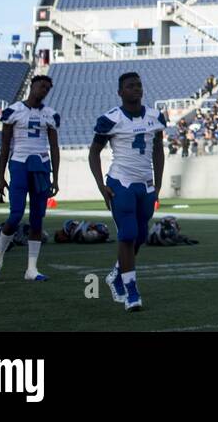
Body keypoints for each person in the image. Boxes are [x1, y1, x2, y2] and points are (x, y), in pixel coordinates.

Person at [89, 72, 166, 312]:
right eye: (131, 86)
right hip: (120, 182)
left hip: (145, 184)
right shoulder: (111, 119)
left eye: (139, 85)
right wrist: (102, 186)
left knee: (141, 236)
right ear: (120, 92)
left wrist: (158, 184)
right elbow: (94, 153)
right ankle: (131, 291)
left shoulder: (155, 116)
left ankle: (116, 273)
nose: (136, 89)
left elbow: (158, 150)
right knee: (128, 233)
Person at [0, 75, 60, 284]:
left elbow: (54, 147)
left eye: (47, 88)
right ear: (31, 86)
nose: (43, 90)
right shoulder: (13, 111)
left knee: (37, 219)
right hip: (19, 164)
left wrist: (55, 177)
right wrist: (0, 177)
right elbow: (6, 145)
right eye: (40, 86)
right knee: (15, 215)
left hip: (42, 166)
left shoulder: (51, 114)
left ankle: (32, 268)